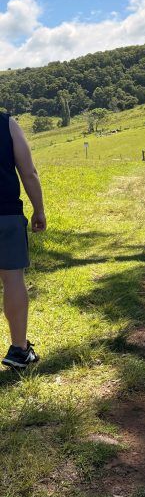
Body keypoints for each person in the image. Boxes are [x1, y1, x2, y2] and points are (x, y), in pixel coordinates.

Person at [0, 112, 46, 370]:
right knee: (12, 278)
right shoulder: (6, 123)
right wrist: (38, 210)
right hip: (5, 215)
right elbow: (28, 172)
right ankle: (19, 349)